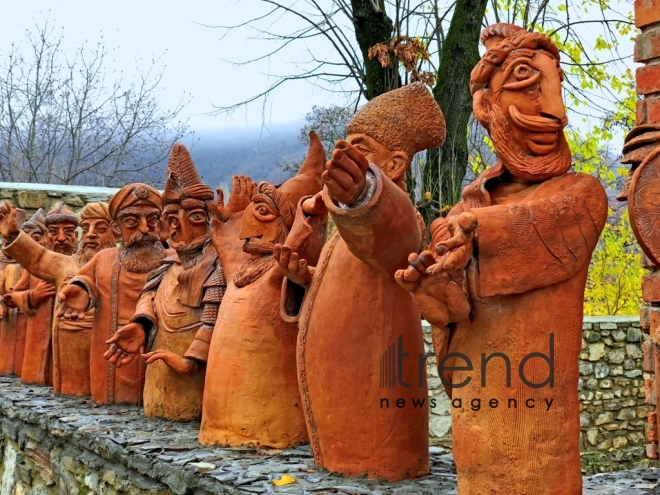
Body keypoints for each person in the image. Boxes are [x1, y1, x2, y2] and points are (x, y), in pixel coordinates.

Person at [395, 24, 608, 494]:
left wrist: (471, 237)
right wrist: (436, 299)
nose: (556, 113)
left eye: (555, 91)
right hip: (477, 442)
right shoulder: (459, 215)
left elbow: (542, 232)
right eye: (528, 86)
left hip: (542, 452)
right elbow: (456, 345)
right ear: (485, 107)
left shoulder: (581, 194)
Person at [275, 83, 446, 481]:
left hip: (373, 382)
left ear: (397, 164)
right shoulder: (340, 234)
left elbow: (390, 231)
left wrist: (364, 192)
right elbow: (348, 284)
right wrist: (305, 281)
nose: (347, 156)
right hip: (339, 387)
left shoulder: (403, 217)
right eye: (347, 146)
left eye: (362, 148)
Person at [199, 132, 325, 448]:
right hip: (217, 421)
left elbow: (305, 281)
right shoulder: (242, 268)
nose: (248, 230)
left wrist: (299, 276)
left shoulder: (282, 269)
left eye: (263, 215)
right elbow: (228, 246)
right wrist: (234, 217)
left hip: (269, 424)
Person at [57, 184, 166, 405]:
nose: (144, 229)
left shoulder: (173, 260)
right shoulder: (104, 258)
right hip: (110, 356)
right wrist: (80, 291)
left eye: (152, 220)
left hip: (157, 355)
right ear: (117, 228)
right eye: (132, 222)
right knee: (111, 403)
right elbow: (87, 279)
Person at [0, 201, 118, 396]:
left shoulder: (120, 265)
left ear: (116, 231)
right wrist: (14, 235)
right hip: (68, 357)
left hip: (109, 356)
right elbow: (37, 258)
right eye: (85, 228)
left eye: (100, 228)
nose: (90, 234)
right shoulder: (67, 264)